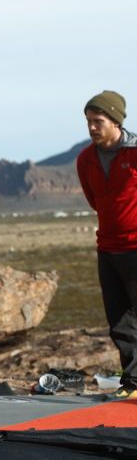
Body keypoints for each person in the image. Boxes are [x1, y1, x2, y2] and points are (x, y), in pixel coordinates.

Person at [77, 90, 137, 398]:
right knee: (120, 322)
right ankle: (133, 383)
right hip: (108, 248)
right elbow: (95, 200)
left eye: (98, 121)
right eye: (88, 121)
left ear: (115, 120)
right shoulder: (85, 159)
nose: (91, 128)